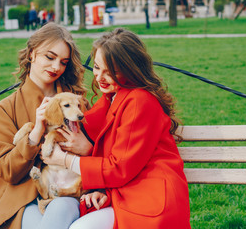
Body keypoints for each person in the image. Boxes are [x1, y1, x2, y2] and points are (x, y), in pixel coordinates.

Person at [44, 28, 191, 228]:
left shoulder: (139, 101)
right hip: (122, 191)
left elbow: (119, 167)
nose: (100, 77)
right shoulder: (110, 98)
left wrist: (67, 160)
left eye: (111, 72)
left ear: (130, 69)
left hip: (148, 197)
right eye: (96, 67)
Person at [0, 22, 87, 229]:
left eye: (63, 62)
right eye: (49, 57)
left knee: (61, 208)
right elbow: (7, 171)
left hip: (67, 193)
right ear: (32, 53)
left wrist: (85, 147)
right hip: (20, 199)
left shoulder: (76, 102)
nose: (56, 67)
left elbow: (97, 151)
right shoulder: (6, 108)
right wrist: (35, 134)